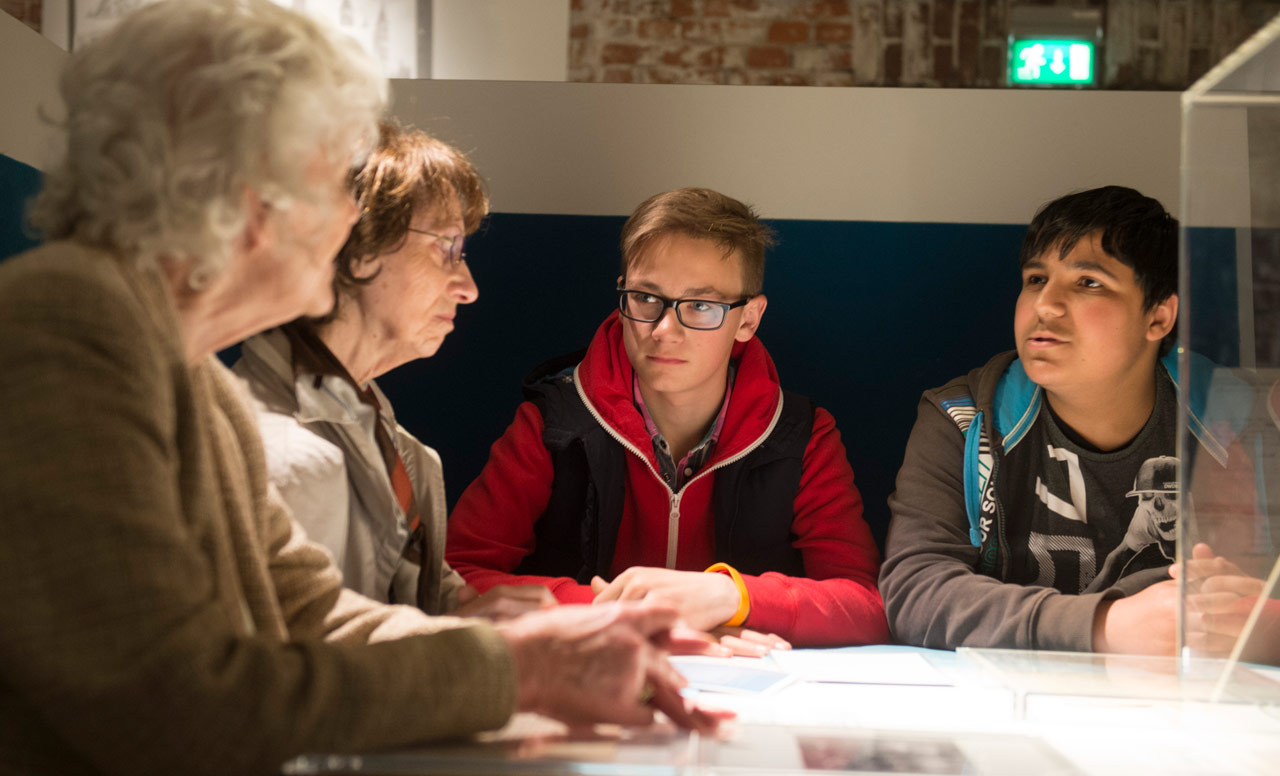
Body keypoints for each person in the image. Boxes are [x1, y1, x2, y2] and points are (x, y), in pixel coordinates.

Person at [0, 0, 718, 776]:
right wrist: (519, 670)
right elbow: (166, 704)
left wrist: (542, 648)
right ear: (248, 192)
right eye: (334, 182)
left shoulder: (184, 369)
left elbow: (316, 617)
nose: (350, 219)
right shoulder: (68, 325)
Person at [446, 187, 888, 649]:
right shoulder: (552, 423)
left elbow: (866, 602)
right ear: (623, 294)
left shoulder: (803, 435)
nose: (663, 330)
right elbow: (456, 578)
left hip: (745, 692)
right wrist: (624, 617)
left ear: (749, 320)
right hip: (591, 680)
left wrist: (731, 596)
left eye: (701, 306)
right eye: (646, 298)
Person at [879, 185, 1251, 655]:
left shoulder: (1234, 420)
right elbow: (915, 593)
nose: (1045, 306)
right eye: (1035, 279)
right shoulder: (962, 417)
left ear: (1158, 318)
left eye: (1088, 283)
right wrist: (1105, 626)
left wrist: (1241, 620)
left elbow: (1257, 591)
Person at [235, 120, 553, 620]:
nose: (468, 287)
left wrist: (501, 615)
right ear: (357, 246)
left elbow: (414, 604)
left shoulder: (368, 420)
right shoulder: (282, 457)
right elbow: (311, 671)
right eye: (447, 247)